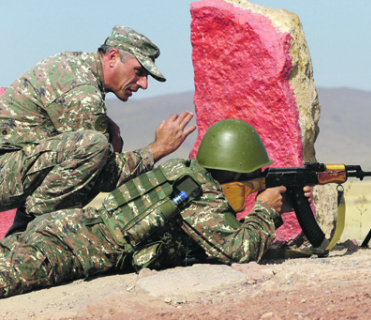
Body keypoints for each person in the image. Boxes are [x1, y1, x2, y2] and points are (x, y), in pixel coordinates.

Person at [0, 119, 313, 298]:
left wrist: (271, 203)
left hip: (66, 229)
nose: (257, 179)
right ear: (233, 171)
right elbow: (239, 249)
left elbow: (211, 234)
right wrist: (265, 209)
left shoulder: (184, 173)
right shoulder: (201, 193)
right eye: (252, 174)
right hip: (66, 249)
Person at [0, 25, 196, 236]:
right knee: (93, 147)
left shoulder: (78, 67)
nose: (144, 84)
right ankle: (25, 234)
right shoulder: (82, 93)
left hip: (10, 169)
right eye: (139, 72)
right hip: (5, 172)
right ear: (112, 57)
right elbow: (106, 175)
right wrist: (158, 149)